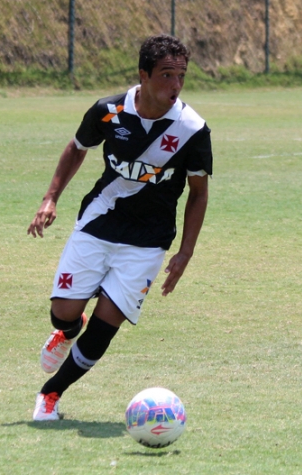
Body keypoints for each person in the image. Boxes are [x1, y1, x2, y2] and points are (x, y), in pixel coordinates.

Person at [27, 33, 212, 421]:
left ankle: (50, 394)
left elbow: (198, 193)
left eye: (181, 76)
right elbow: (77, 147)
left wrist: (186, 252)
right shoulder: (108, 111)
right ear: (143, 75)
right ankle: (67, 330)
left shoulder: (192, 129)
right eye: (166, 75)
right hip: (98, 222)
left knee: (106, 324)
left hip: (148, 241)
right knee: (63, 312)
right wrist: (50, 198)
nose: (176, 85)